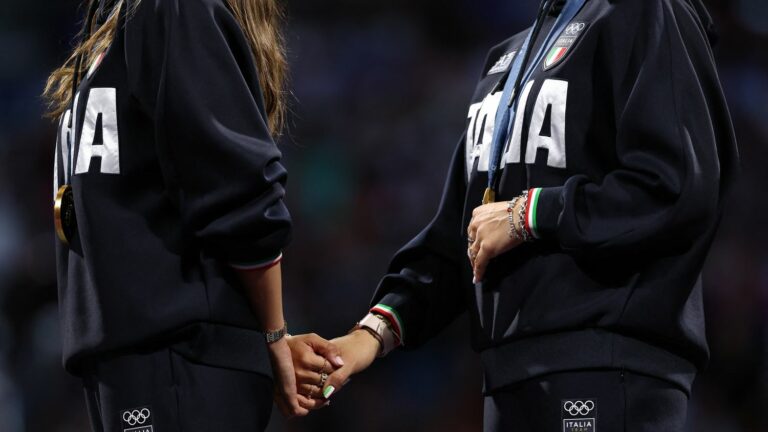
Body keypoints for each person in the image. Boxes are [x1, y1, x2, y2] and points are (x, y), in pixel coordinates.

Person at [291, 0, 739, 430]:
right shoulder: (508, 61)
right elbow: (460, 236)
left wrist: (530, 213)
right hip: (508, 379)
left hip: (606, 363)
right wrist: (366, 337)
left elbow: (676, 184)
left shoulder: (645, 10)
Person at [43, 0, 341, 430]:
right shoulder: (123, 22)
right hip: (132, 361)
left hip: (182, 357)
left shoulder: (175, 8)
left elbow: (242, 193)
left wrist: (274, 335)